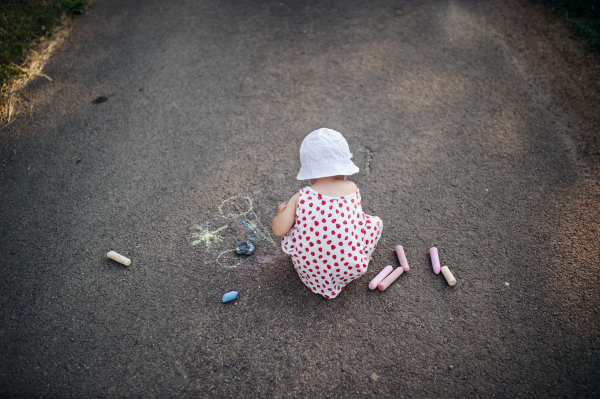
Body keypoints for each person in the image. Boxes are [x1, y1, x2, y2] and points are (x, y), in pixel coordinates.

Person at [272, 128, 383, 299]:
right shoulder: (352, 188)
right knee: (370, 222)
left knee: (300, 226)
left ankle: (323, 277)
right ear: (344, 169)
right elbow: (355, 224)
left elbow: (279, 230)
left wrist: (281, 212)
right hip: (349, 267)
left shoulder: (300, 197)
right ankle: (362, 257)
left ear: (309, 174)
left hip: (312, 272)